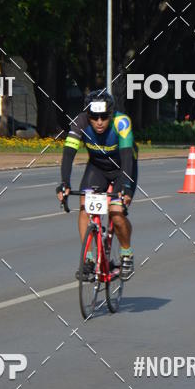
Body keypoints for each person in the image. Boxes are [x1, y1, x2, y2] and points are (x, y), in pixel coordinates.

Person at [57, 89, 137, 281]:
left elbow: (127, 156)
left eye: (104, 117)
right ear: (88, 115)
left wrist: (125, 186)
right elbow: (69, 153)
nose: (99, 122)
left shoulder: (121, 122)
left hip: (122, 169)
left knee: (116, 213)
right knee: (84, 207)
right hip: (97, 168)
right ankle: (89, 258)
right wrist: (65, 183)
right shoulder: (80, 122)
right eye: (94, 117)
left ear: (111, 114)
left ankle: (126, 253)